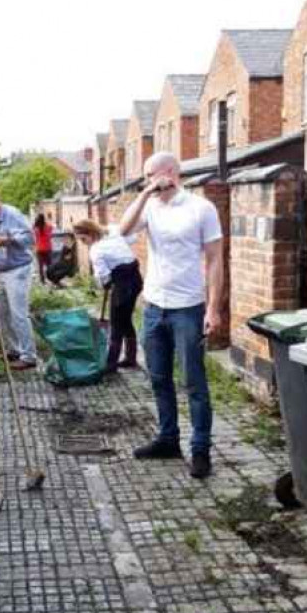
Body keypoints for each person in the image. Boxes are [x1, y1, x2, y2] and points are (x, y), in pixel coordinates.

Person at [118, 152, 224, 479]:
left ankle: (201, 449)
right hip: (154, 306)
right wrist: (146, 194)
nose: (147, 180)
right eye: (146, 176)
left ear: (170, 172)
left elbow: (216, 259)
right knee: (159, 377)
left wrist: (213, 308)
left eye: (151, 175)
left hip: (188, 308)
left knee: (193, 381)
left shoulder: (201, 208)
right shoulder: (149, 206)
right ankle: (168, 439)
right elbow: (123, 230)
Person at [0, 188, 38, 371]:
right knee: (1, 311)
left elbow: (30, 238)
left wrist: (8, 240)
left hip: (18, 270)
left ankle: (29, 357)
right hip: (0, 270)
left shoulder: (13, 214)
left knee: (18, 313)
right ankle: (13, 350)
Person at [72, 219, 143, 373]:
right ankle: (130, 359)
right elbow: (133, 238)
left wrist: (105, 285)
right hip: (136, 280)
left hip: (122, 285)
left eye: (84, 239)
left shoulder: (96, 250)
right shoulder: (113, 230)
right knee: (126, 319)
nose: (83, 243)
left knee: (116, 323)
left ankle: (110, 364)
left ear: (90, 233)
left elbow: (103, 276)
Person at [33, 212, 54, 284]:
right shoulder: (48, 227)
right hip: (48, 248)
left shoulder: (36, 228)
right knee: (49, 265)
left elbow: (33, 235)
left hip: (39, 249)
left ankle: (42, 281)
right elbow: (51, 228)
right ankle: (51, 279)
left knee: (40, 266)